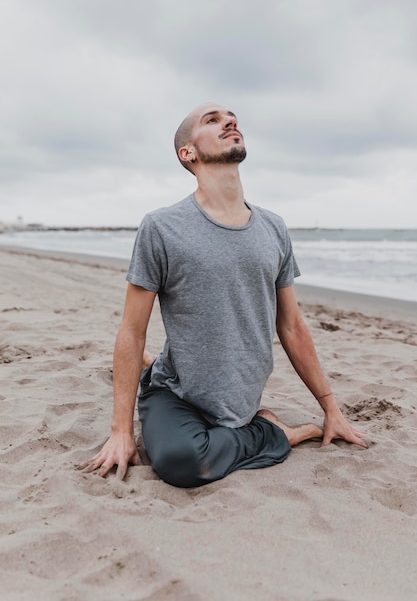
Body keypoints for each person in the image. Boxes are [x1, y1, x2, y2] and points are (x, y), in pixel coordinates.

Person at [81, 103, 368, 488]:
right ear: (188, 153)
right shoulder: (162, 228)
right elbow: (132, 331)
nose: (229, 122)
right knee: (183, 463)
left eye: (231, 117)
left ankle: (249, 415)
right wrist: (120, 432)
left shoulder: (273, 228)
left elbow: (292, 325)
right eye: (212, 120)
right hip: (177, 393)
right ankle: (280, 432)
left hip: (238, 399)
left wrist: (331, 409)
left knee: (205, 446)